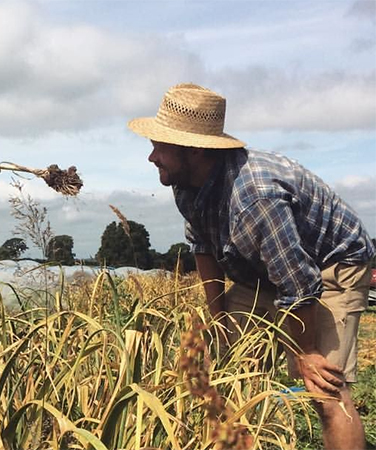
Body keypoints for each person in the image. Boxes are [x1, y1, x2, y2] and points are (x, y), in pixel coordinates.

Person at [128, 83, 374, 449]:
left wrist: (304, 352)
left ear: (192, 149)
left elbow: (300, 285)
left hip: (330, 265)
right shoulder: (184, 184)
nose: (152, 158)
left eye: (158, 146)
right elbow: (203, 248)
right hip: (263, 268)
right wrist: (219, 319)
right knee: (229, 369)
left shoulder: (255, 197)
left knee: (325, 390)